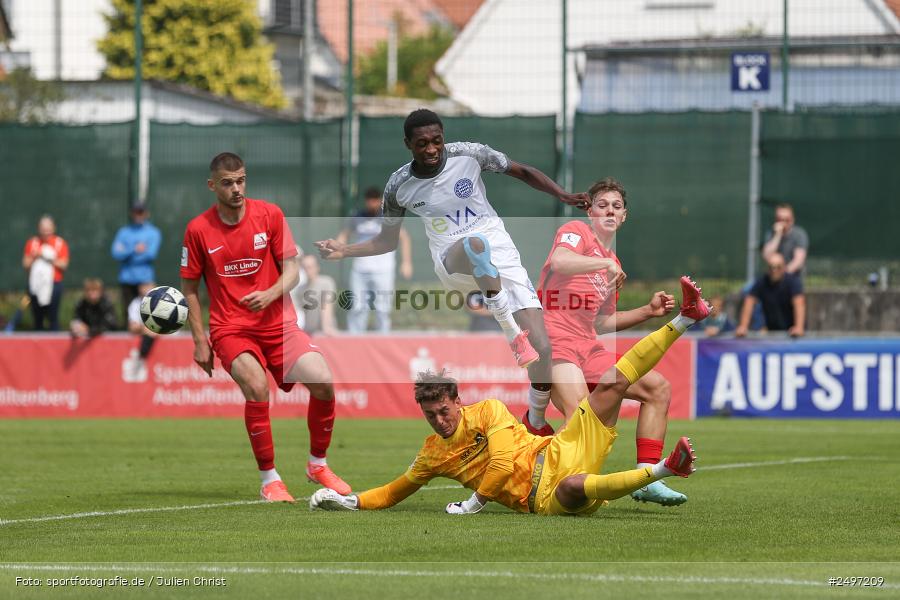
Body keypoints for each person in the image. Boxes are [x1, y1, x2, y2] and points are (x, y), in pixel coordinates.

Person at [309, 277, 708, 516]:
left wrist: (474, 504)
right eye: (430, 415)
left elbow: (500, 462)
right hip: (543, 494)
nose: (439, 420)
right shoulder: (432, 454)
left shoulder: (488, 411)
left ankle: (686, 317)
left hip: (560, 448)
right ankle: (664, 470)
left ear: (458, 402)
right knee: (575, 488)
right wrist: (351, 502)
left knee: (611, 384)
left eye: (443, 410)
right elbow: (394, 491)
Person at [316, 109, 590, 439]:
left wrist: (561, 194)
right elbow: (386, 241)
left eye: (436, 141)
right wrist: (345, 250)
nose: (431, 149)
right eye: (422, 144)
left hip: (501, 252)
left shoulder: (470, 154)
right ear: (408, 144)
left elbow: (522, 171)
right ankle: (510, 334)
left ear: (443, 136)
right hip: (451, 257)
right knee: (476, 245)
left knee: (543, 347)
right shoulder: (399, 186)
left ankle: (534, 416)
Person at [181, 152, 350, 503]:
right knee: (257, 388)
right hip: (230, 328)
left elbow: (293, 271)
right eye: (227, 183)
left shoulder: (270, 214)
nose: (236, 188)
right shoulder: (198, 229)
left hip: (279, 325)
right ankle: (270, 480)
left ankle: (317, 464)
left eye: (241, 180)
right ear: (212, 185)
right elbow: (189, 290)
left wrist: (269, 293)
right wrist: (199, 340)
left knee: (323, 380)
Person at [535, 177, 686, 506]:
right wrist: (603, 262)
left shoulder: (613, 265)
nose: (609, 211)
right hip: (554, 339)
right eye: (602, 204)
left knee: (657, 388)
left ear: (624, 216)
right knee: (580, 416)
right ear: (589, 210)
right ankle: (531, 478)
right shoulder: (578, 231)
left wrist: (648, 311)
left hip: (588, 346)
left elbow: (601, 323)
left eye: (616, 206)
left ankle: (646, 477)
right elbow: (560, 261)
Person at [336, 186, 413, 333]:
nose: (372, 203)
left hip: (384, 270)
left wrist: (406, 263)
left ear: (380, 200)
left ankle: (383, 340)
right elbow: (344, 235)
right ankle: (355, 341)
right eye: (369, 200)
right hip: (360, 270)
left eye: (375, 200)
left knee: (382, 308)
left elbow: (404, 237)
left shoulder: (388, 217)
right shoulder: (357, 217)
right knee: (358, 307)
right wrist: (337, 249)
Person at [111, 203, 162, 327]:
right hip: (126, 279)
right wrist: (134, 249)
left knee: (149, 312)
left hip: (145, 280)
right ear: (132, 214)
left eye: (141, 212)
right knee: (128, 314)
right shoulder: (123, 232)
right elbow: (116, 253)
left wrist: (126, 253)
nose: (138, 215)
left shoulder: (153, 232)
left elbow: (150, 254)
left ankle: (148, 341)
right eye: (136, 212)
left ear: (146, 214)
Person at [735, 253, 805, 338]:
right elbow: (749, 301)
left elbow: (799, 303)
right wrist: (743, 326)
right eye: (771, 267)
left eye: (778, 267)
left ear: (784, 267)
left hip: (792, 333)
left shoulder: (792, 282)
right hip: (773, 333)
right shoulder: (762, 282)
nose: (774, 270)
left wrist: (799, 327)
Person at [22, 215, 69, 331]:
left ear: (53, 228)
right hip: (35, 285)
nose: (45, 232)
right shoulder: (32, 243)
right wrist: (34, 256)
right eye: (43, 229)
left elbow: (64, 265)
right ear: (39, 229)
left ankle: (55, 345)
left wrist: (47, 257)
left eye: (48, 229)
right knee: (37, 318)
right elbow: (25, 264)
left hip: (54, 284)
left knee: (53, 317)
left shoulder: (60, 243)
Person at [291, 254, 338, 336]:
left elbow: (327, 306)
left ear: (317, 267)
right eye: (305, 267)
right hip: (309, 333)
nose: (308, 270)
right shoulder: (300, 289)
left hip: (325, 332)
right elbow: (295, 313)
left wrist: (326, 327)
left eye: (310, 267)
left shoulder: (326, 282)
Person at [123, 281, 159, 378]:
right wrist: (147, 329)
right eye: (143, 286)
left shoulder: (164, 302)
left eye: (148, 285)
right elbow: (132, 327)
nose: (145, 289)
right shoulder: (135, 303)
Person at [761, 203, 808, 277]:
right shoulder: (771, 233)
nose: (783, 223)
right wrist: (777, 235)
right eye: (780, 219)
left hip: (793, 276)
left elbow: (798, 260)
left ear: (792, 220)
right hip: (773, 277)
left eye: (787, 219)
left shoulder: (799, 234)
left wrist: (783, 274)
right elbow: (767, 256)